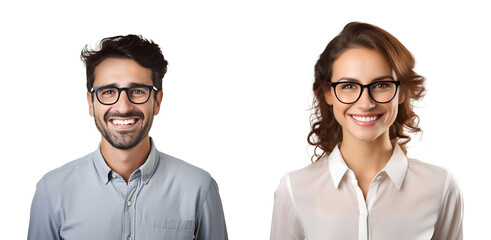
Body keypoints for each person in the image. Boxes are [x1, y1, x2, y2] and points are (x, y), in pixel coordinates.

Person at [270, 22, 463, 240]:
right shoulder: (294, 190)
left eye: (381, 85)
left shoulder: (441, 187)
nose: (366, 103)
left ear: (401, 92)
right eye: (349, 86)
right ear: (328, 93)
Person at [28, 35, 228, 240]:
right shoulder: (52, 192)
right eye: (108, 92)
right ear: (91, 103)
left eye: (138, 91)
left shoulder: (199, 188)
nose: (123, 107)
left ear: (157, 101)